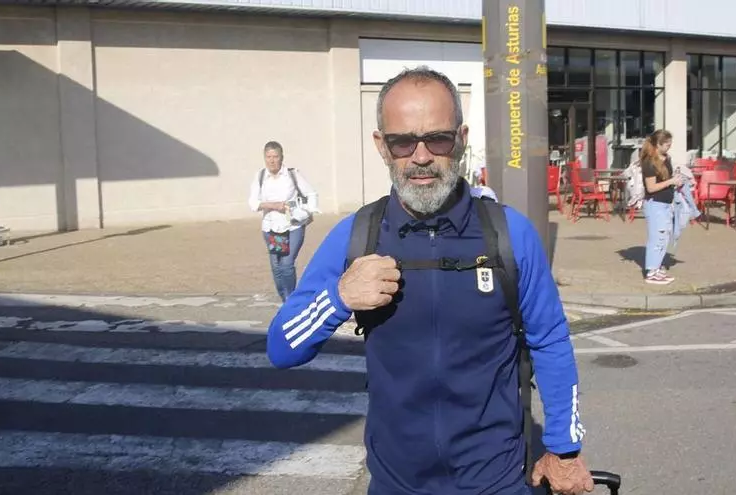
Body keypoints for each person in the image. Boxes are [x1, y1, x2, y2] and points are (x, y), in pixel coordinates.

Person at [266, 66, 593, 495]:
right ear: (381, 146)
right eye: (403, 142)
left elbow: (550, 340)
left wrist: (564, 449)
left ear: (461, 139)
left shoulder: (510, 235)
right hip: (396, 483)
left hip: (495, 481)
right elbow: (281, 348)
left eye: (437, 139)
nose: (420, 157)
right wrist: (339, 296)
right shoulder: (358, 235)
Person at [248, 141, 319, 302]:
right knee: (277, 266)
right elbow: (253, 203)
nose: (272, 160)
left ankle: (291, 299)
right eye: (268, 157)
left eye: (275, 156)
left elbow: (311, 194)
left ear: (281, 157)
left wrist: (307, 211)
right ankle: (285, 299)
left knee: (286, 263)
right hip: (272, 227)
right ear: (264, 158)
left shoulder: (292, 175)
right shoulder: (260, 176)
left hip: (292, 226)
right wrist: (273, 205)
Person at [640, 129, 682, 285]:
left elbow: (666, 179)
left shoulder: (666, 159)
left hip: (665, 204)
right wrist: (670, 182)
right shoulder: (649, 162)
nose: (669, 147)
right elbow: (651, 188)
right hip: (655, 204)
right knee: (657, 238)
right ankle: (651, 271)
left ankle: (657, 267)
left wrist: (676, 181)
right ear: (658, 144)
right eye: (667, 144)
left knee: (664, 237)